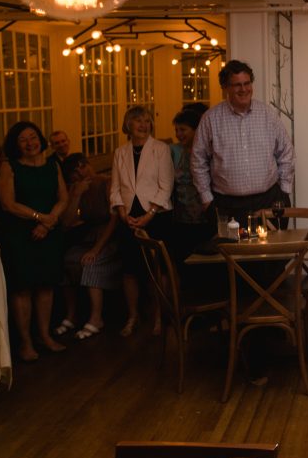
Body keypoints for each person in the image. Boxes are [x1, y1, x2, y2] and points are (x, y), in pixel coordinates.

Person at [0, 121, 69, 362]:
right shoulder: (10, 167)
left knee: (46, 286)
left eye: (32, 137)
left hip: (49, 232)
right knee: (23, 288)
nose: (30, 143)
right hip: (20, 235)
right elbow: (9, 203)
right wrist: (39, 218)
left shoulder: (52, 164)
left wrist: (48, 223)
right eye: (23, 140)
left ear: (40, 138)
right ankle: (26, 343)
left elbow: (63, 197)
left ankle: (45, 336)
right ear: (15, 145)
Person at [192, 60, 295, 222]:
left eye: (247, 83)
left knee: (274, 248)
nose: (244, 89)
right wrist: (206, 199)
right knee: (230, 248)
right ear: (225, 87)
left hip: (269, 201)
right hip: (227, 205)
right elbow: (198, 161)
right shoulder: (210, 119)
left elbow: (286, 152)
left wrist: (284, 190)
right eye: (237, 85)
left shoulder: (268, 115)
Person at [110, 106, 173, 337]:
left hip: (156, 216)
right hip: (128, 218)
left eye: (147, 121)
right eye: (138, 121)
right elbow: (115, 188)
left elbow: (166, 185)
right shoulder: (120, 153)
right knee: (129, 270)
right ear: (128, 125)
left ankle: (159, 316)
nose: (143, 125)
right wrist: (121, 212)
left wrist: (150, 214)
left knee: (157, 269)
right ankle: (133, 316)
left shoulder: (161, 149)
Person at [57, 154, 119, 340]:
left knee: (91, 262)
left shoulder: (106, 183)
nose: (80, 174)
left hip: (109, 237)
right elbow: (66, 223)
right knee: (67, 259)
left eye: (82, 169)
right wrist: (76, 195)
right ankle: (71, 314)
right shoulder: (76, 189)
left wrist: (96, 249)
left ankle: (96, 317)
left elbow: (114, 220)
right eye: (74, 175)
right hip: (89, 236)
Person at [167, 109, 216, 262]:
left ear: (196, 130)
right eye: (176, 130)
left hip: (205, 214)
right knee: (183, 258)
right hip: (181, 216)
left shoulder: (207, 150)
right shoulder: (173, 151)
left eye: (183, 130)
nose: (178, 134)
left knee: (205, 259)